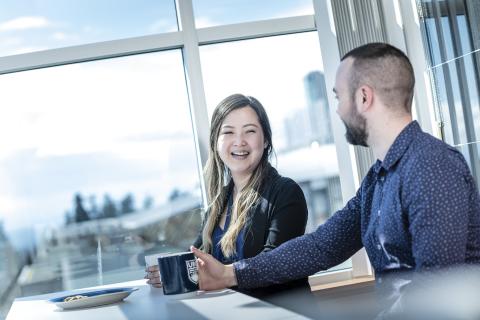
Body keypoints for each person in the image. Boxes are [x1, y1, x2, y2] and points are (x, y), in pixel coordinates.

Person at [190, 43, 480, 312]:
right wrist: (230, 273)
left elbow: (436, 287)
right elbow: (322, 246)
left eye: (339, 97)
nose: (338, 109)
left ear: (364, 97)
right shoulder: (377, 179)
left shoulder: (431, 165)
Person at [145, 93, 309, 296]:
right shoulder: (219, 203)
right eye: (229, 132)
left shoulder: (286, 193)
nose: (239, 142)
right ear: (216, 142)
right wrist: (169, 270)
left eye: (250, 131)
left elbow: (273, 265)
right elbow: (196, 259)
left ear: (265, 140)